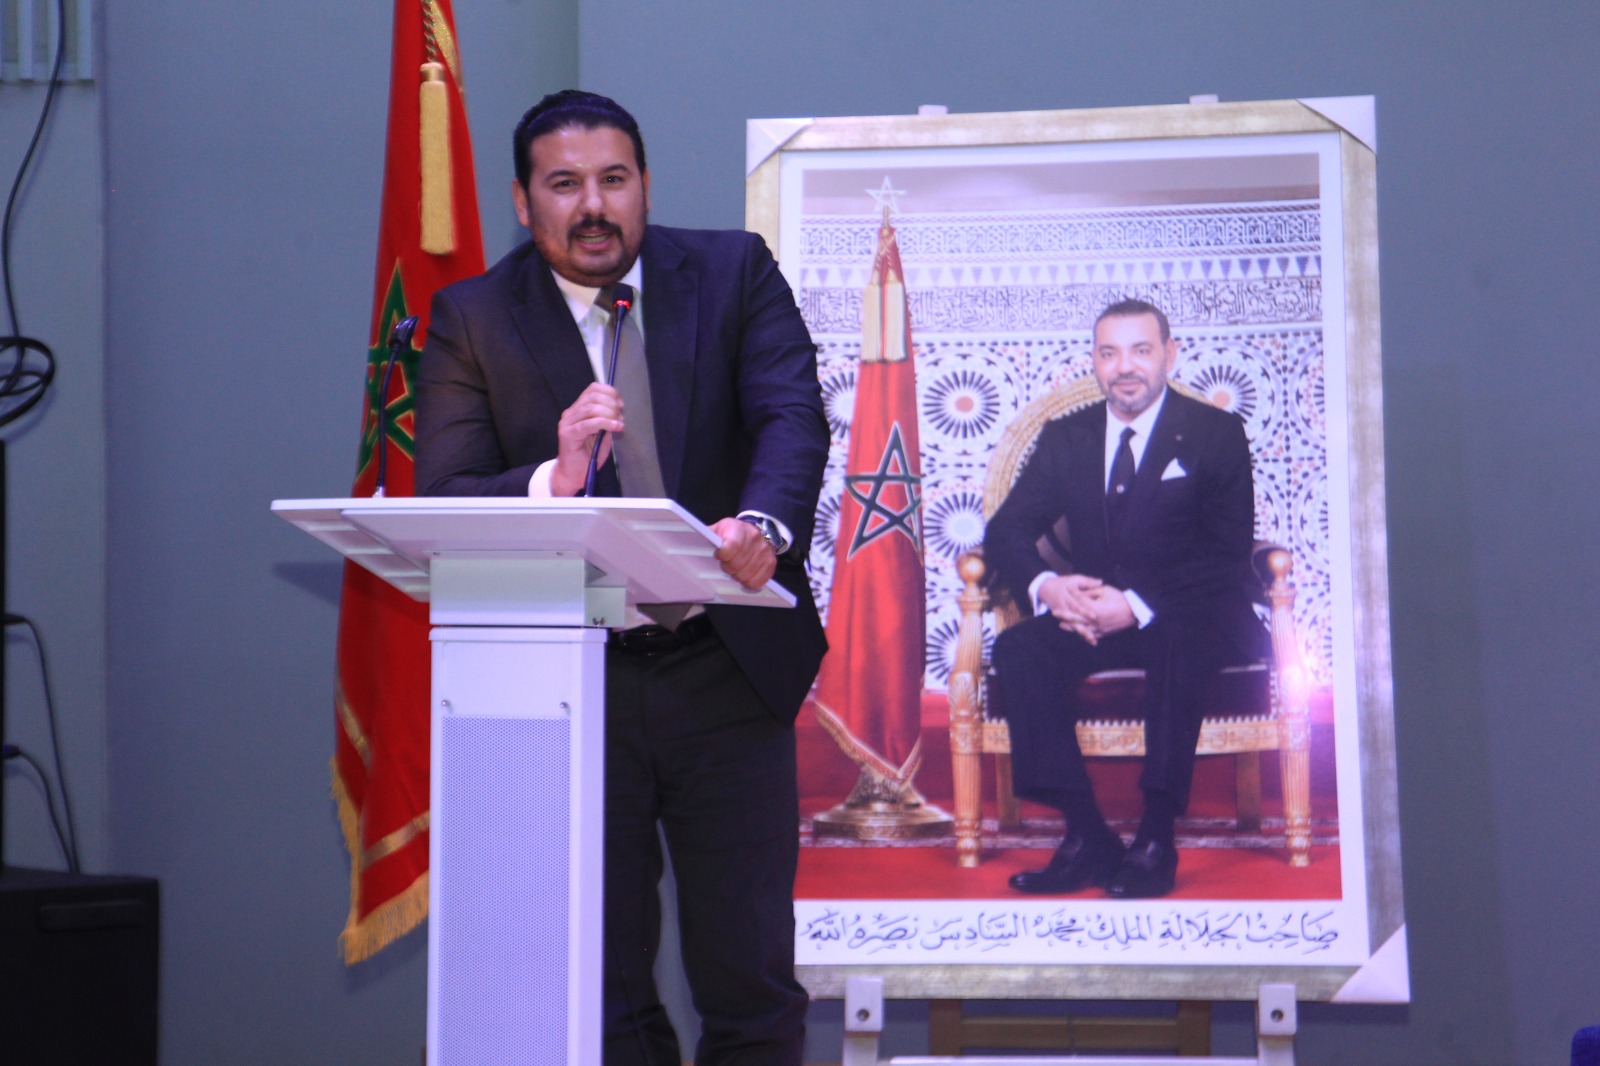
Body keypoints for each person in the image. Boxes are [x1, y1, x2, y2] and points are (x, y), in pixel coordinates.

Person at [414, 90, 828, 1066]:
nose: (593, 206)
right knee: (604, 988)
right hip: (571, 679)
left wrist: (764, 525)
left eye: (613, 179)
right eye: (565, 185)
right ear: (523, 201)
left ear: (644, 183)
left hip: (724, 667)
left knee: (749, 978)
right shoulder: (475, 317)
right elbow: (449, 490)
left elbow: (790, 415)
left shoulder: (730, 272)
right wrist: (553, 480)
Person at [983, 298, 1264, 899]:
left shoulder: (1215, 433)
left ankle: (1157, 836)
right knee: (1020, 650)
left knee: (1175, 640)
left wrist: (1134, 604)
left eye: (1140, 350)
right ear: (1094, 361)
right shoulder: (1068, 437)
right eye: (1110, 353)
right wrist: (1051, 588)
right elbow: (1006, 532)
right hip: (1094, 614)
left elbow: (1226, 552)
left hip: (1192, 612)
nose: (1125, 367)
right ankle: (1086, 833)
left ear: (1169, 354)